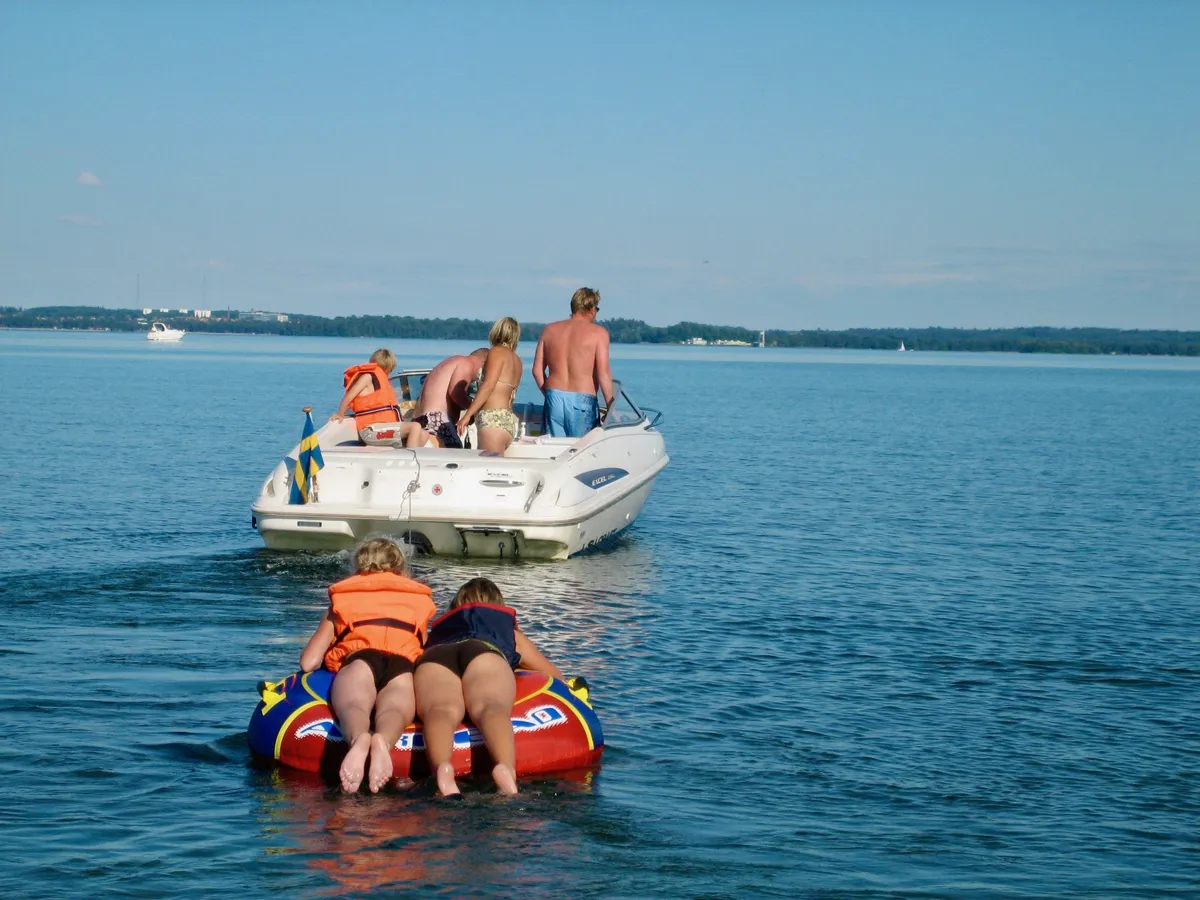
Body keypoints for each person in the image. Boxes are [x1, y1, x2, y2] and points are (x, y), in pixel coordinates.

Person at [299, 538, 436, 793]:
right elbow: (424, 653)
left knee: (353, 706)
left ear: (359, 564)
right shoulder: (417, 602)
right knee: (394, 710)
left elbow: (309, 662)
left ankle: (359, 739)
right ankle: (383, 741)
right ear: (400, 569)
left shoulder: (341, 601)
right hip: (401, 667)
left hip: (360, 661)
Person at [414, 577, 563, 796]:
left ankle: (442, 768)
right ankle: (504, 767)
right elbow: (555, 677)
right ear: (498, 606)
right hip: (483, 652)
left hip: (438, 655)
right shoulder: (508, 632)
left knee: (440, 709)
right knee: (490, 706)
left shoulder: (440, 629)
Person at [532, 287, 615, 438]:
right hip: (582, 400)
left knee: (554, 452)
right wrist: (611, 406)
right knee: (582, 452)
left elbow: (537, 371)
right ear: (591, 309)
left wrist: (549, 394)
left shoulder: (549, 330)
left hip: (554, 396)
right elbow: (603, 375)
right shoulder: (599, 333)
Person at [399, 347, 489, 449]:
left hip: (420, 418)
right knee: (454, 453)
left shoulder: (452, 362)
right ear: (484, 363)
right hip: (435, 418)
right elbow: (456, 392)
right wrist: (474, 408)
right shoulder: (466, 363)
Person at [457, 317, 523, 454]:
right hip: (508, 420)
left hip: (492, 420)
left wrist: (468, 415)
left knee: (488, 471)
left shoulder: (496, 351)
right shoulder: (517, 361)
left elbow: (488, 385)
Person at [332, 349, 402, 442]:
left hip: (382, 426)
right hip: (371, 429)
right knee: (414, 428)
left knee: (421, 433)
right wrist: (340, 414)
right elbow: (348, 397)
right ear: (388, 368)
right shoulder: (367, 377)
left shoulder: (379, 379)